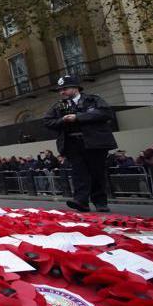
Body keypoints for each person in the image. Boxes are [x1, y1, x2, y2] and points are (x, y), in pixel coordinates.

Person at [43, 74, 117, 213]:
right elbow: (47, 121)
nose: (62, 92)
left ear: (75, 88)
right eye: (60, 90)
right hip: (72, 144)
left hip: (94, 142)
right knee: (79, 173)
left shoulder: (93, 100)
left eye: (64, 89)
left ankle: (100, 201)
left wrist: (78, 117)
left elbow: (105, 113)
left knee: (97, 172)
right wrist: (62, 120)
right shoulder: (59, 106)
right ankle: (81, 200)